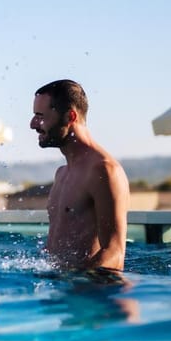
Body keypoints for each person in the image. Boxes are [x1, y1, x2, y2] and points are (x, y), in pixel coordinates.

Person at [30, 80, 130, 271]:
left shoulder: (104, 171)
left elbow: (115, 253)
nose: (32, 124)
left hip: (89, 287)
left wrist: (76, 280)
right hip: (61, 286)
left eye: (40, 116)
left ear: (70, 116)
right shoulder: (61, 174)